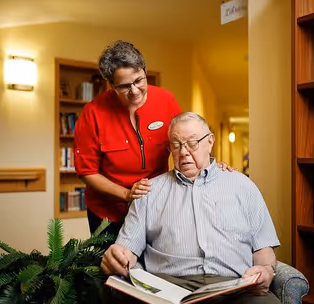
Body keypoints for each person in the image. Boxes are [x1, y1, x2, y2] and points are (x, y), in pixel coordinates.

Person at [101, 112, 300, 304]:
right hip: (170, 291)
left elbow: (263, 251)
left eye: (192, 143)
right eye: (176, 145)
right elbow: (126, 251)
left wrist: (266, 270)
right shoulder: (149, 192)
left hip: (236, 290)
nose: (184, 152)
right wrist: (118, 256)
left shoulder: (243, 187)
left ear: (210, 141)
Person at [74, 40, 232, 237]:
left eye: (139, 80)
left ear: (145, 71)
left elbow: (188, 142)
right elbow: (86, 172)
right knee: (115, 266)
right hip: (107, 214)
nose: (134, 91)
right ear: (111, 84)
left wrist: (212, 166)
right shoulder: (93, 113)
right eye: (124, 86)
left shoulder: (166, 100)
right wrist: (126, 194)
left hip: (156, 205)